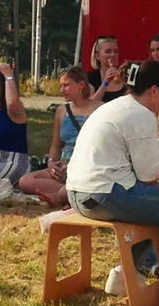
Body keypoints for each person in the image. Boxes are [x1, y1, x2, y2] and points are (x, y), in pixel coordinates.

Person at [64, 60, 159, 306]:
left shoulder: (114, 107)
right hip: (106, 194)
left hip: (78, 192)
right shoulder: (142, 114)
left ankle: (124, 275)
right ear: (153, 90)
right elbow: (149, 176)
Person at [19, 67, 101, 207]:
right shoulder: (61, 111)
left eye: (66, 85)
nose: (62, 89)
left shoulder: (100, 109)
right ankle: (72, 194)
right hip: (63, 165)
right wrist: (51, 162)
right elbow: (56, 145)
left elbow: (101, 147)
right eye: (61, 85)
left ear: (81, 85)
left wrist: (74, 166)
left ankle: (63, 195)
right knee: (24, 181)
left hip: (87, 165)